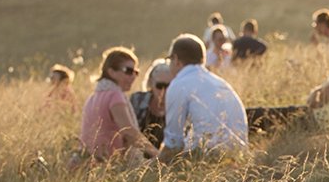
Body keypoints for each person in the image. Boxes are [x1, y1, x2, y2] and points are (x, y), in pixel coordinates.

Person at [158, 34, 248, 162]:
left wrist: (150, 169)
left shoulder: (179, 84)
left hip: (206, 159)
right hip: (238, 158)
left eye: (169, 60)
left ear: (176, 59)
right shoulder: (221, 83)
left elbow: (173, 142)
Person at [78, 47, 158, 161]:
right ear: (111, 72)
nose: (133, 76)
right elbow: (129, 132)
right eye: (128, 71)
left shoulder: (93, 97)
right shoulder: (115, 96)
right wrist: (157, 155)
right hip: (108, 165)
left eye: (136, 72)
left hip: (87, 161)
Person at [129, 59, 172, 148]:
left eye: (169, 86)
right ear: (151, 84)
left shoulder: (178, 106)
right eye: (159, 86)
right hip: (136, 156)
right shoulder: (137, 100)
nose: (164, 91)